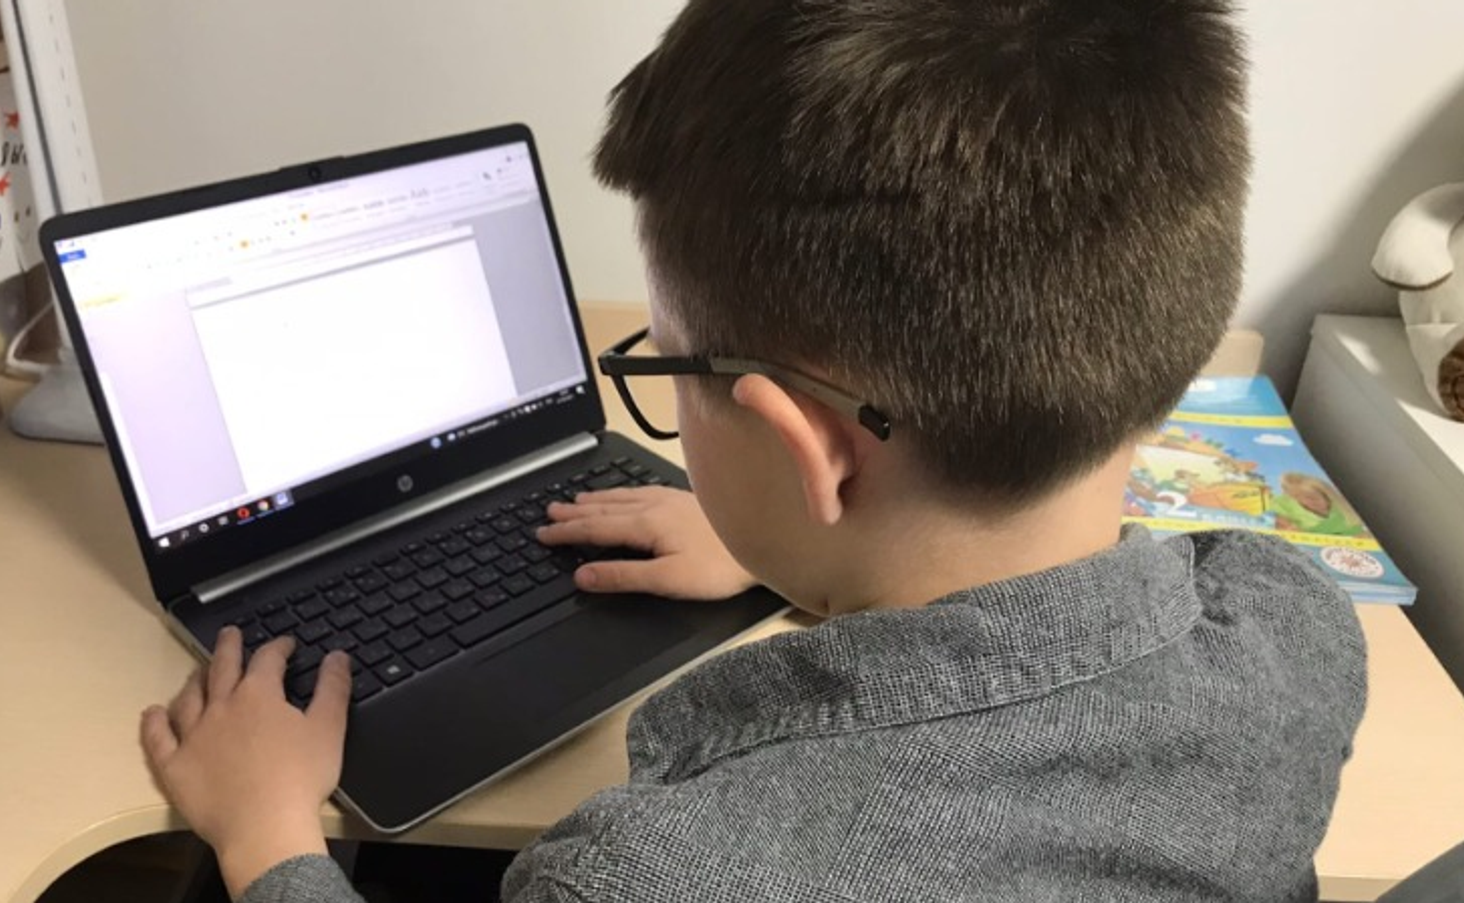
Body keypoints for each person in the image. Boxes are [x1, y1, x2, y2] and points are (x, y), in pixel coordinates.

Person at [138, 1, 1368, 900]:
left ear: (806, 449)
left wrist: (267, 839)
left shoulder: (648, 879)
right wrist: (794, 557)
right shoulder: (1292, 627)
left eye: (668, 365)